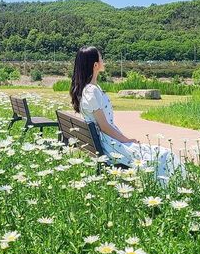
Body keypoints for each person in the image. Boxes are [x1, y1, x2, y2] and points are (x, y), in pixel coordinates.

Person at [69, 46, 186, 185]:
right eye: (101, 58)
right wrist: (126, 140)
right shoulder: (91, 91)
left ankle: (171, 188)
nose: (103, 61)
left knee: (161, 153)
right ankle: (171, 190)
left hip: (106, 143)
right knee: (166, 154)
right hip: (110, 146)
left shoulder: (88, 89)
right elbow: (104, 126)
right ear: (95, 65)